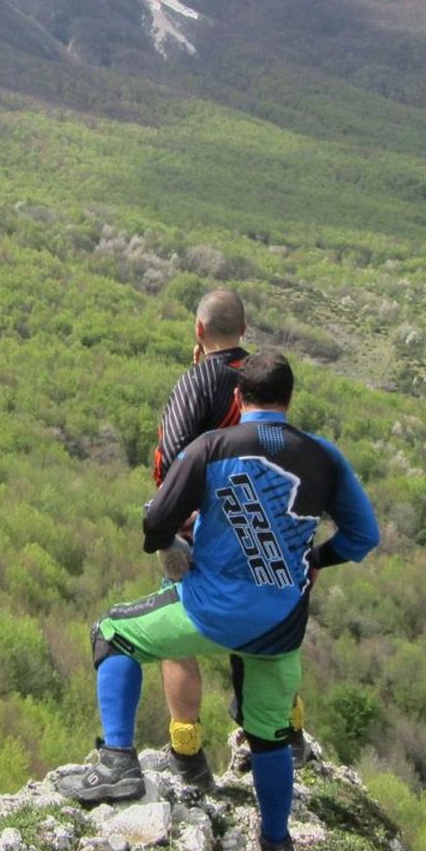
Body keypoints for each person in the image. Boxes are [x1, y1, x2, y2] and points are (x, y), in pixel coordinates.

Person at [61, 349, 379, 851]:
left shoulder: (212, 448)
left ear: (238, 399)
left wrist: (168, 548)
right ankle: (278, 850)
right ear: (289, 399)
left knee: (112, 634)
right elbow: (363, 537)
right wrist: (314, 561)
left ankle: (117, 763)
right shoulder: (324, 458)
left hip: (207, 610)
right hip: (280, 624)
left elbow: (158, 518)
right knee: (271, 737)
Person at [148, 290, 311, 790]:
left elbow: (173, 460)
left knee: (174, 633)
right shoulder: (264, 381)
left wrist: (171, 525)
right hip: (269, 531)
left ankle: (187, 754)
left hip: (206, 533)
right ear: (243, 329)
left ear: (199, 331)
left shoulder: (196, 382)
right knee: (264, 625)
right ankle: (289, 732)